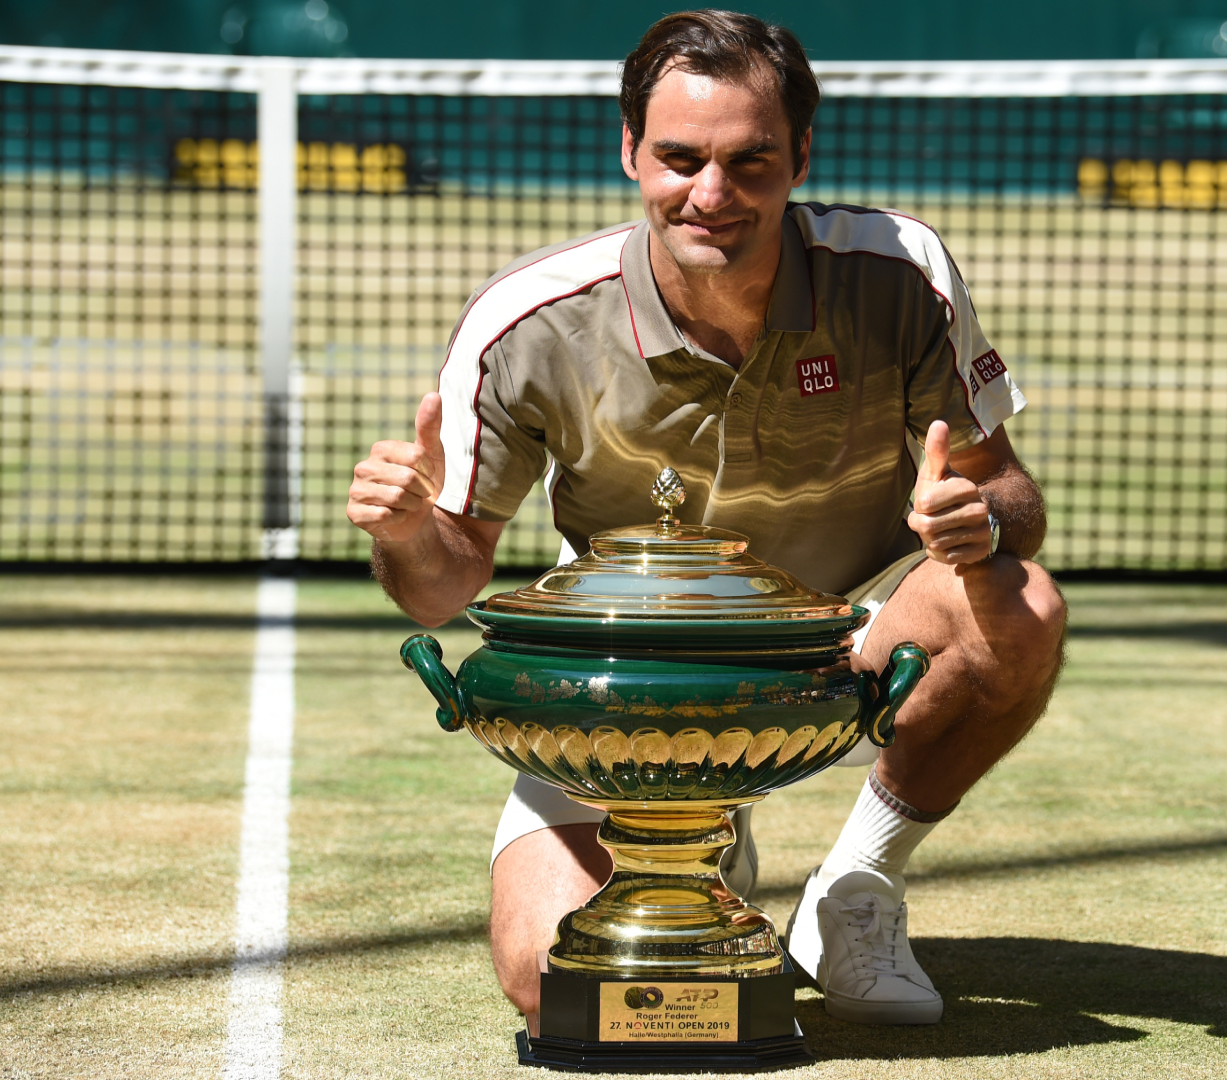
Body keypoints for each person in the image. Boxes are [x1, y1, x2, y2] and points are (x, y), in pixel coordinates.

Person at [345, 9, 1066, 1029]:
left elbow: (1013, 499)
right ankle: (693, 837)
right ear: (630, 148)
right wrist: (408, 530)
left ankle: (853, 889)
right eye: (680, 158)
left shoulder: (903, 274)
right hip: (629, 680)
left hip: (844, 654)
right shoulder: (527, 324)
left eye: (751, 161)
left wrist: (977, 521)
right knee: (561, 990)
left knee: (1019, 605)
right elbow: (441, 583)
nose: (712, 195)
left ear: (802, 154)